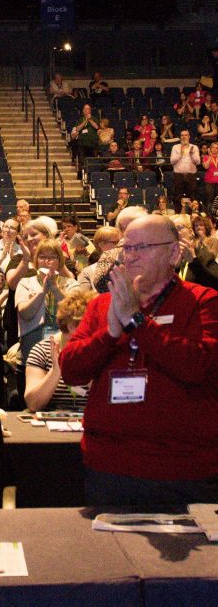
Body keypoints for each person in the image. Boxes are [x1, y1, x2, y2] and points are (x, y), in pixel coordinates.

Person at [61, 215, 218, 506]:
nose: (130, 257)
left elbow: (197, 366)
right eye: (126, 248)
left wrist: (137, 320)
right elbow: (71, 370)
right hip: (108, 468)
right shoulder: (102, 304)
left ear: (173, 253)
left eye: (141, 248)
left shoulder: (204, 301)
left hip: (183, 472)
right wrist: (109, 333)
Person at [24, 289, 97, 413]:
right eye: (90, 325)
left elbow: (111, 403)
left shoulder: (101, 350)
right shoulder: (42, 350)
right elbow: (33, 404)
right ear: (70, 326)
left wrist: (89, 370)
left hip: (91, 422)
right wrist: (55, 371)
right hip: (50, 427)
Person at [16, 239, 80, 362]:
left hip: (64, 351)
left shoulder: (71, 284)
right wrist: (42, 291)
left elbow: (75, 313)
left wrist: (55, 288)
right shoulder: (25, 283)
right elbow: (25, 314)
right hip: (30, 351)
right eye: (42, 257)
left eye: (52, 257)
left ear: (60, 261)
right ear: (36, 260)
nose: (47, 261)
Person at [170, 130, 201, 211]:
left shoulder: (194, 147)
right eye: (182, 135)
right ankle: (178, 214)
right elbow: (172, 161)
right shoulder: (175, 147)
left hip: (191, 176)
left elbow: (198, 162)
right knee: (177, 197)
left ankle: (193, 215)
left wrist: (191, 154)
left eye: (186, 135)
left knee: (193, 196)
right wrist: (180, 153)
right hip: (178, 176)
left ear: (189, 136)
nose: (184, 137)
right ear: (180, 137)